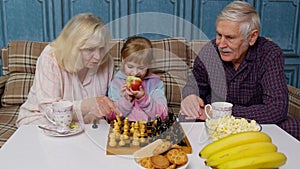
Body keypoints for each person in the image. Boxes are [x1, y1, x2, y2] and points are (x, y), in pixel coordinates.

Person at [180, 1, 300, 140]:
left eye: (230, 37)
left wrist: (221, 113)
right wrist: (190, 96)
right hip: (213, 124)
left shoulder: (270, 54)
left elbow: (276, 109)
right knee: (185, 117)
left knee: (294, 126)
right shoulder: (209, 52)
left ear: (252, 37)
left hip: (255, 123)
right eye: (219, 35)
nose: (221, 44)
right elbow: (192, 86)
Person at [16, 13, 121, 126]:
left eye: (101, 48)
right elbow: (49, 109)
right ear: (73, 48)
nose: (98, 56)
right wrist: (89, 104)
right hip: (43, 119)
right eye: (90, 49)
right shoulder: (50, 56)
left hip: (84, 123)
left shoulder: (106, 60)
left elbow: (114, 99)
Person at [108, 36, 168, 121]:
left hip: (149, 130)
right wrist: (126, 100)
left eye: (141, 68)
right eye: (130, 66)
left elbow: (163, 115)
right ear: (123, 60)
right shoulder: (116, 84)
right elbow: (111, 117)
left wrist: (143, 98)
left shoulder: (156, 84)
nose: (135, 72)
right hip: (124, 131)